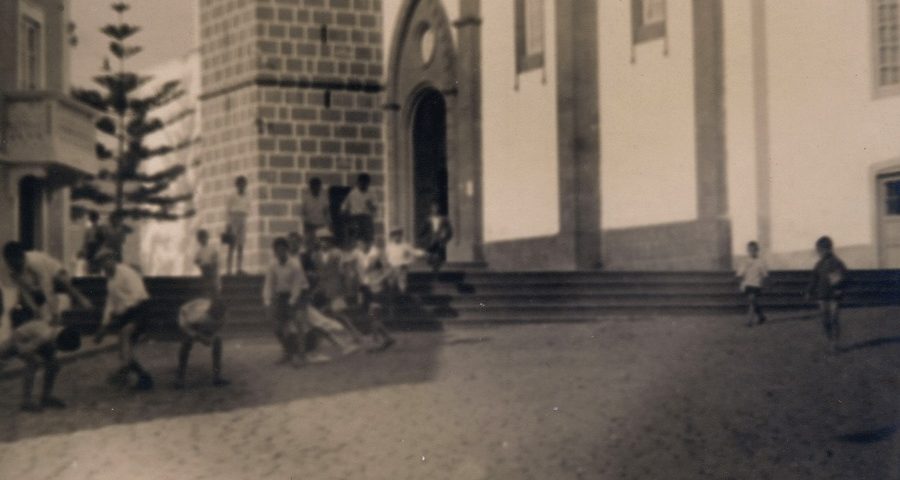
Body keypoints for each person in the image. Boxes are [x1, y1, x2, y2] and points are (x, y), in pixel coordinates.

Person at [0, 288, 81, 412]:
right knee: (33, 362)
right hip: (16, 341)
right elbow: (24, 350)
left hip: (33, 341)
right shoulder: (45, 336)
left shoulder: (58, 331)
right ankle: (26, 402)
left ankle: (46, 397)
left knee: (54, 364)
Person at [93, 249, 154, 390]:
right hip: (126, 313)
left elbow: (137, 295)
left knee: (125, 333)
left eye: (107, 260)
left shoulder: (126, 273)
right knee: (125, 350)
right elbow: (110, 303)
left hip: (140, 309)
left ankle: (124, 370)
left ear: (113, 259)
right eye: (101, 263)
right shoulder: (110, 280)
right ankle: (144, 378)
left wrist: (122, 310)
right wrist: (104, 325)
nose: (105, 265)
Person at [2, 242, 92, 323]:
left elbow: (47, 285)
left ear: (20, 257)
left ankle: (81, 299)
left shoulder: (34, 261)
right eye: (9, 263)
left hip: (54, 274)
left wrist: (55, 313)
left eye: (14, 262)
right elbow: (24, 292)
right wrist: (35, 310)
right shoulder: (13, 272)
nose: (12, 266)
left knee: (62, 280)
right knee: (27, 302)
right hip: (36, 286)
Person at [263, 237, 309, 367]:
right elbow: (269, 284)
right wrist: (267, 301)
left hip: (300, 292)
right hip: (282, 295)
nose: (280, 253)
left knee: (298, 321)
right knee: (278, 327)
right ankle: (288, 352)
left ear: (287, 250)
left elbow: (297, 285)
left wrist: (292, 301)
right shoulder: (272, 265)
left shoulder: (295, 264)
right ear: (274, 252)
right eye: (277, 250)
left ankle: (301, 354)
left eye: (283, 249)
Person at [313, 229, 364, 344]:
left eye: (326, 240)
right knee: (320, 313)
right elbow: (317, 270)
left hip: (335, 285)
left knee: (338, 313)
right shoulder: (315, 255)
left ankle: (355, 333)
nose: (324, 242)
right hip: (321, 287)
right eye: (321, 240)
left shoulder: (337, 253)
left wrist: (347, 284)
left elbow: (344, 270)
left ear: (330, 241)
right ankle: (329, 339)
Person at [805, 236, 848, 354]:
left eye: (821, 250)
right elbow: (814, 279)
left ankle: (835, 344)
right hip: (822, 295)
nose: (819, 253)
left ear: (829, 249)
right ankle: (830, 340)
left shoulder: (837, 263)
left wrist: (840, 288)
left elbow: (844, 278)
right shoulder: (818, 264)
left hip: (835, 296)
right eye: (818, 250)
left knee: (834, 318)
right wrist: (809, 291)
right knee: (825, 320)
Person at [175, 297, 229, 389]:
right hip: (186, 317)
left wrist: (211, 338)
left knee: (218, 341)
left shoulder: (223, 316)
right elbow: (184, 325)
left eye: (219, 314)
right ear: (210, 311)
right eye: (215, 314)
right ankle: (180, 378)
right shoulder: (197, 315)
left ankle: (217, 376)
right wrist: (198, 336)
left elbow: (218, 331)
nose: (218, 316)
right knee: (187, 342)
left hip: (204, 325)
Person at [736, 241, 768, 327]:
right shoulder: (745, 261)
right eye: (750, 250)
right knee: (753, 301)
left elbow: (765, 275)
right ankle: (761, 316)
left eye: (754, 250)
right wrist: (741, 284)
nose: (752, 251)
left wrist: (763, 284)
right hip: (747, 284)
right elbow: (740, 274)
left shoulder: (761, 261)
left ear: (757, 250)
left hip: (757, 284)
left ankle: (749, 321)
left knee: (752, 300)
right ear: (747, 250)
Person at [385, 227, 424, 294]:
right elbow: (387, 257)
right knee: (391, 283)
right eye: (394, 235)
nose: (397, 237)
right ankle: (392, 297)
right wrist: (388, 265)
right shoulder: (389, 247)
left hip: (402, 267)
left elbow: (414, 251)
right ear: (392, 237)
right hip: (392, 267)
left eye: (399, 235)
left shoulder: (405, 245)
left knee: (402, 282)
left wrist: (423, 253)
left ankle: (402, 295)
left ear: (401, 236)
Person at [341, 173, 377, 245]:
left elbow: (375, 209)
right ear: (358, 183)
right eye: (362, 183)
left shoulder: (371, 193)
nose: (364, 185)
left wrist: (370, 205)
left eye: (366, 183)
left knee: (368, 240)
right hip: (355, 219)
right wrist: (347, 218)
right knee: (355, 239)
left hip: (366, 218)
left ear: (368, 183)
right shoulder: (352, 193)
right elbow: (344, 207)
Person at [225, 176, 250, 275]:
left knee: (241, 244)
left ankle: (239, 268)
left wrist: (244, 219)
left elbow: (247, 208)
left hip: (243, 218)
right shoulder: (232, 196)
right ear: (236, 185)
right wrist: (228, 224)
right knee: (232, 245)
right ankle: (229, 270)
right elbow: (228, 211)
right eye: (240, 184)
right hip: (233, 218)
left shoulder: (248, 196)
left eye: (243, 184)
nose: (242, 186)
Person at [419, 201, 453, 272]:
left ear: (439, 209)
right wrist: (424, 239)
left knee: (438, 255)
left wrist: (445, 238)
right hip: (430, 240)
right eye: (433, 208)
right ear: (431, 209)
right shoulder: (428, 220)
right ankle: (433, 265)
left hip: (440, 239)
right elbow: (422, 231)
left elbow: (449, 230)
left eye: (436, 208)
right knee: (430, 255)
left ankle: (437, 268)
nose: (435, 210)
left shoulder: (444, 219)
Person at [301, 177, 332, 251]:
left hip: (321, 225)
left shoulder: (324, 198)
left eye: (317, 186)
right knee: (309, 246)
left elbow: (327, 212)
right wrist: (306, 223)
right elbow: (302, 213)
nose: (316, 189)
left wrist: (329, 223)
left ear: (320, 187)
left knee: (321, 245)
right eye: (314, 187)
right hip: (310, 226)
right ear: (310, 187)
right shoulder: (305, 198)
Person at [194, 229, 220, 296]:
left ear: (207, 238)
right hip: (204, 270)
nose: (203, 240)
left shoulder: (212, 248)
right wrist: (200, 264)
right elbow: (196, 260)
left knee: (214, 286)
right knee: (206, 287)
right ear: (199, 240)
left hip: (212, 269)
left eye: (204, 237)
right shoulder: (199, 251)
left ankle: (215, 296)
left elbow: (215, 258)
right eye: (201, 238)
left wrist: (213, 265)